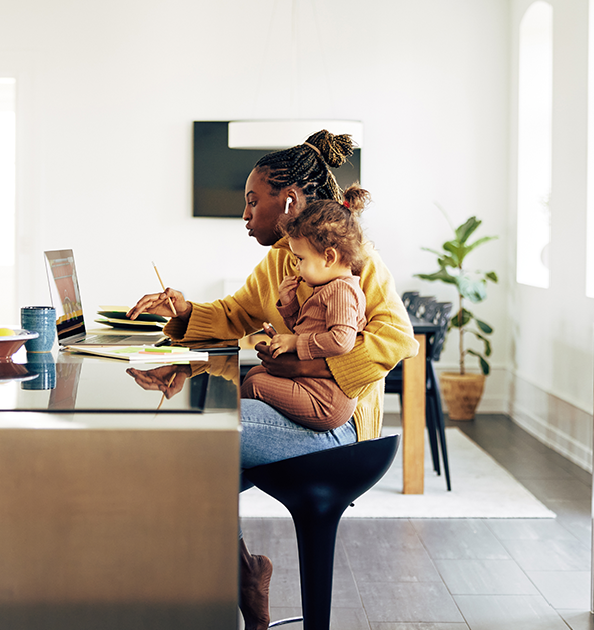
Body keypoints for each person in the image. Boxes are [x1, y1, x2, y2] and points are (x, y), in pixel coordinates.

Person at [128, 130, 417, 630]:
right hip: (293, 407)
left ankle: (232, 578)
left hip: (338, 428)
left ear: (288, 201)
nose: (245, 214)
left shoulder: (352, 260)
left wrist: (300, 363)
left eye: (251, 201)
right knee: (187, 453)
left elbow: (397, 339)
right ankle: (240, 574)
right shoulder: (282, 259)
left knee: (199, 439)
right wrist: (184, 310)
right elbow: (237, 313)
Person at [241, 186, 372, 432]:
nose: (297, 267)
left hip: (326, 400)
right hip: (313, 388)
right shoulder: (327, 288)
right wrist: (289, 303)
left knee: (253, 385)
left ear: (329, 257)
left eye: (301, 259)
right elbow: (307, 329)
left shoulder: (342, 291)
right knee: (255, 375)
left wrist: (293, 344)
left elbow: (342, 341)